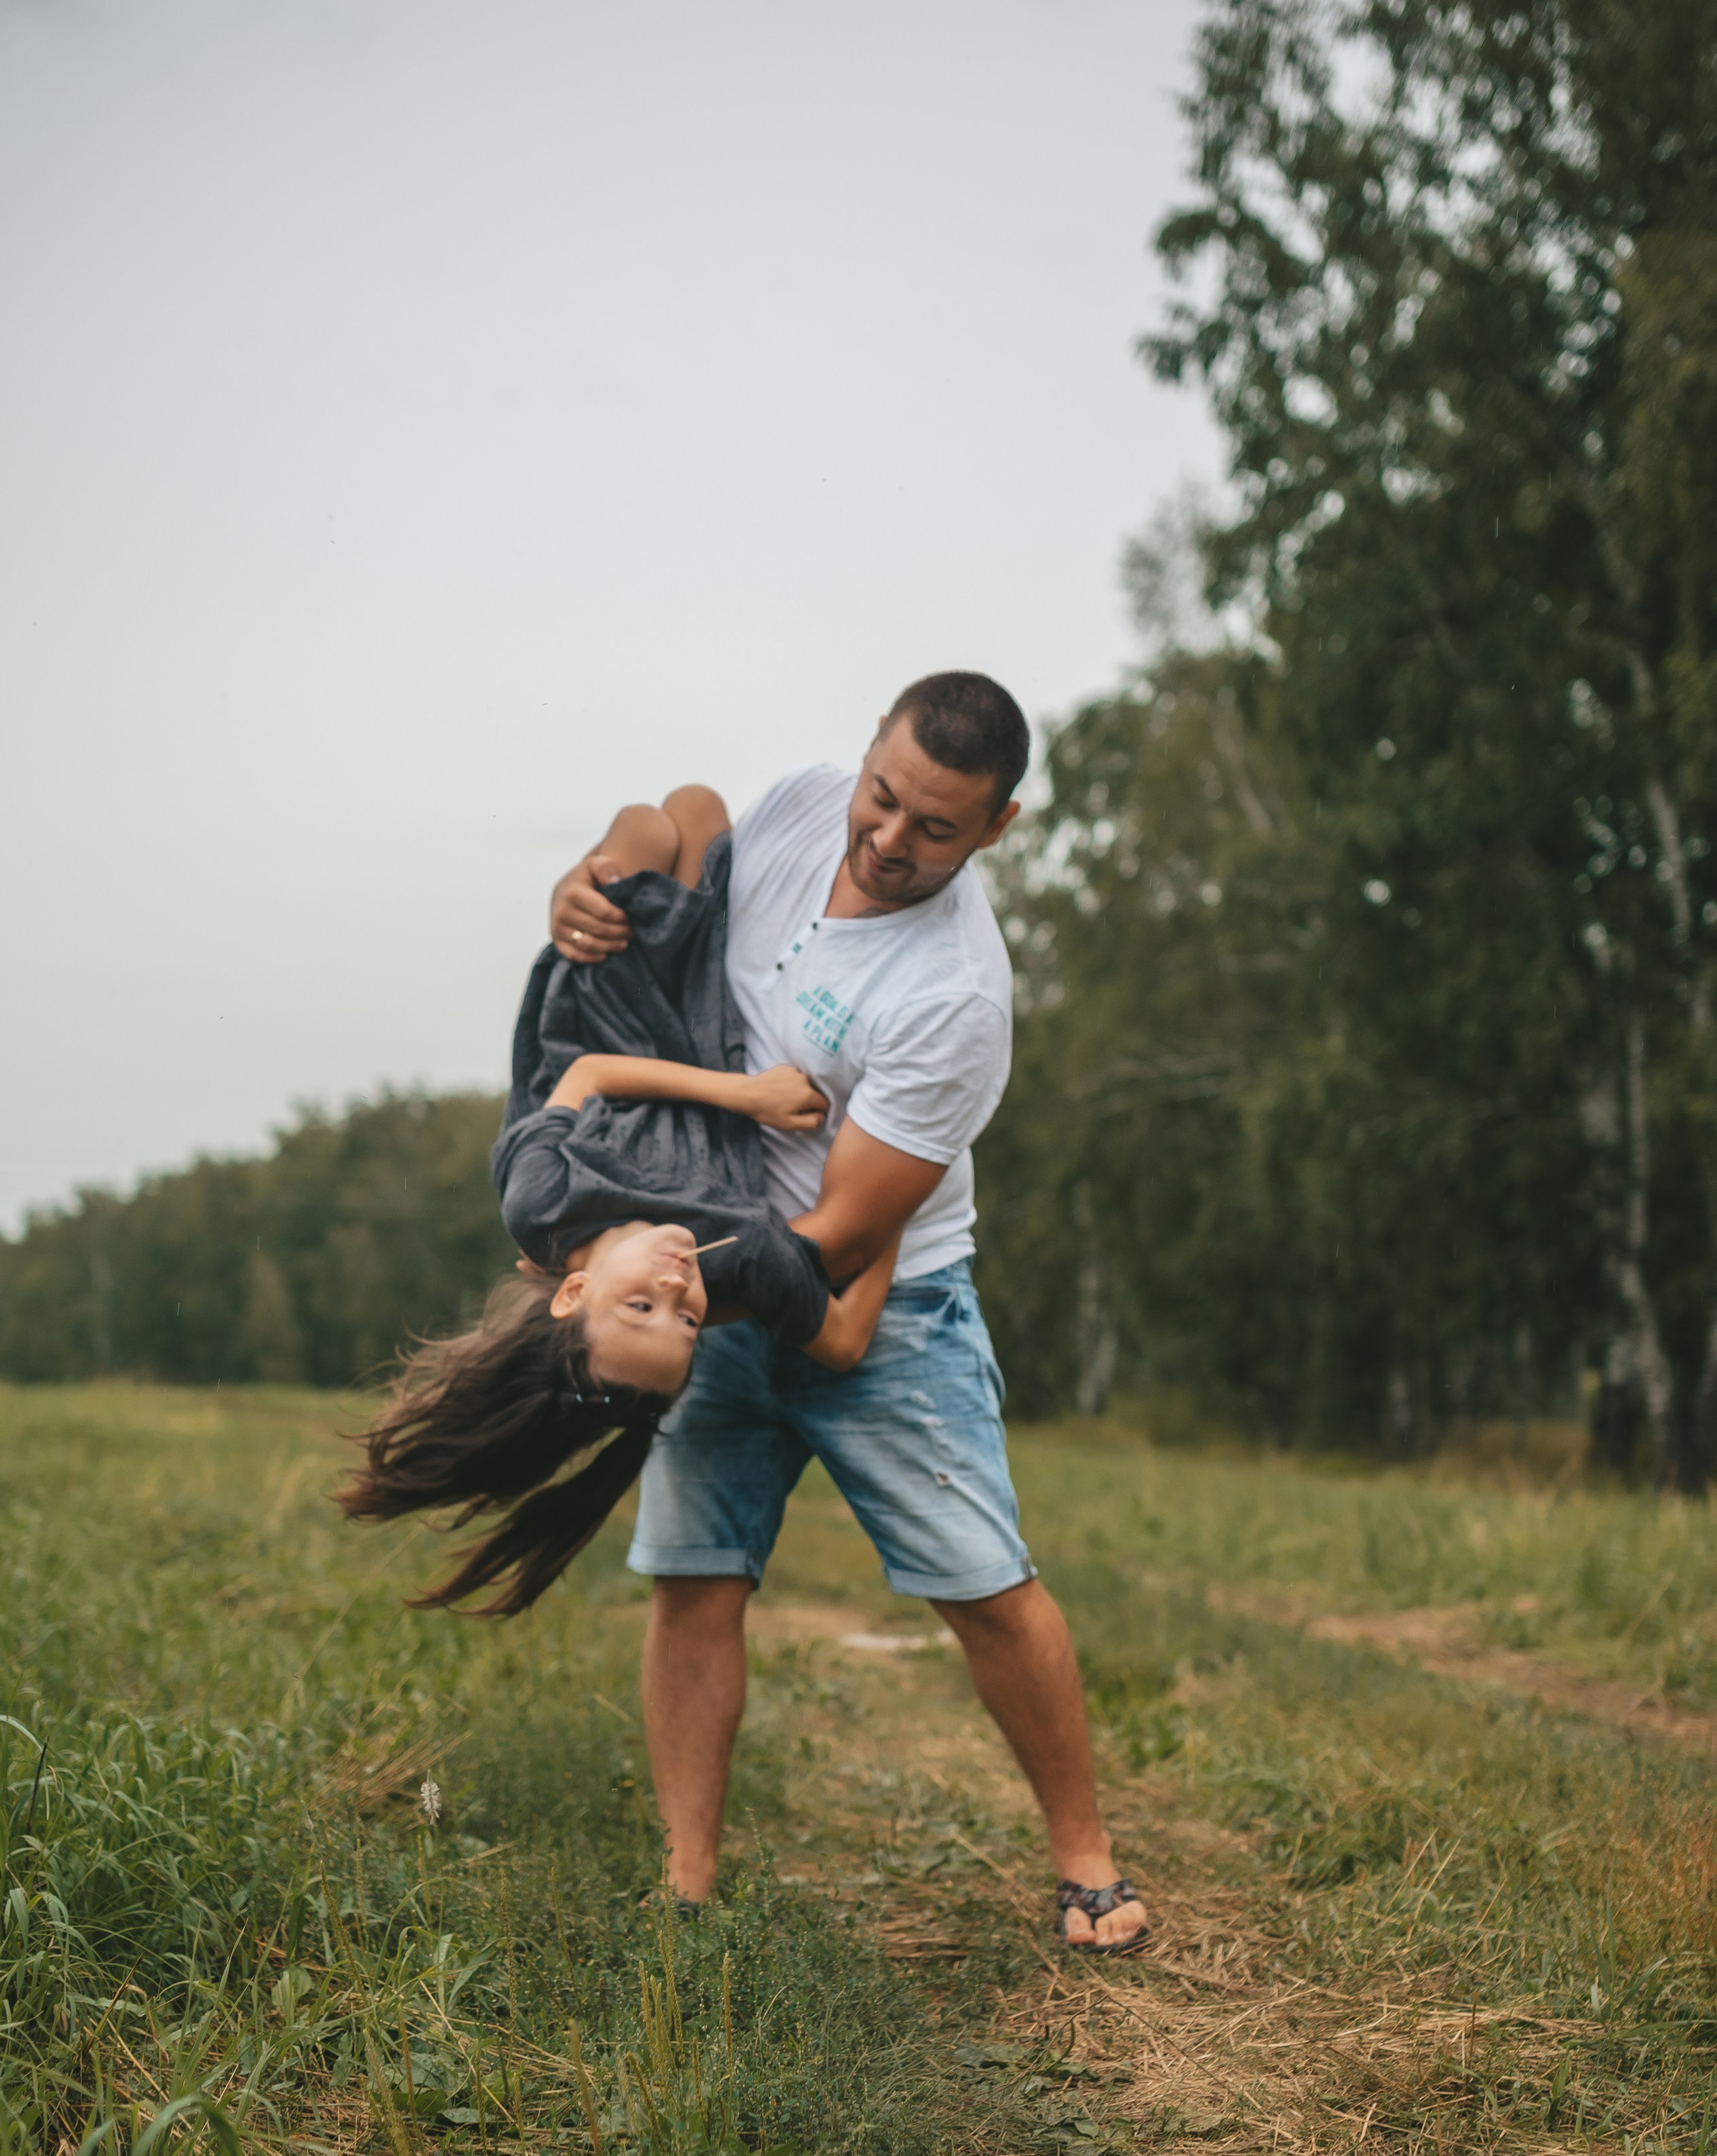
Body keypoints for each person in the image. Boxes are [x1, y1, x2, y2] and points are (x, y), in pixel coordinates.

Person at [549, 670, 1149, 1955]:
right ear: (869, 747)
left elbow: (836, 1237)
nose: (888, 839)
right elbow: (681, 838)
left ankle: (1085, 1860)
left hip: (886, 1301)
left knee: (983, 1586)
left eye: (936, 828)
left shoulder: (957, 996)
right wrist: (587, 883)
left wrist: (676, 1284)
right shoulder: (798, 807)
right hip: (710, 1266)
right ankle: (686, 1885)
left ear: (997, 827)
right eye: (883, 798)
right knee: (693, 1575)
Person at [337, 785, 898, 1615]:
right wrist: (908, 1186)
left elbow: (588, 1075)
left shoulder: (542, 1205)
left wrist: (745, 1098)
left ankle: (580, 889)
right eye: (686, 1323)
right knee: (699, 811)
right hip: (701, 1026)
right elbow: (844, 1341)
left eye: (640, 1305)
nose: (676, 1287)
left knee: (645, 826)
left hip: (600, 1014)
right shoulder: (740, 1255)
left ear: (570, 1292)